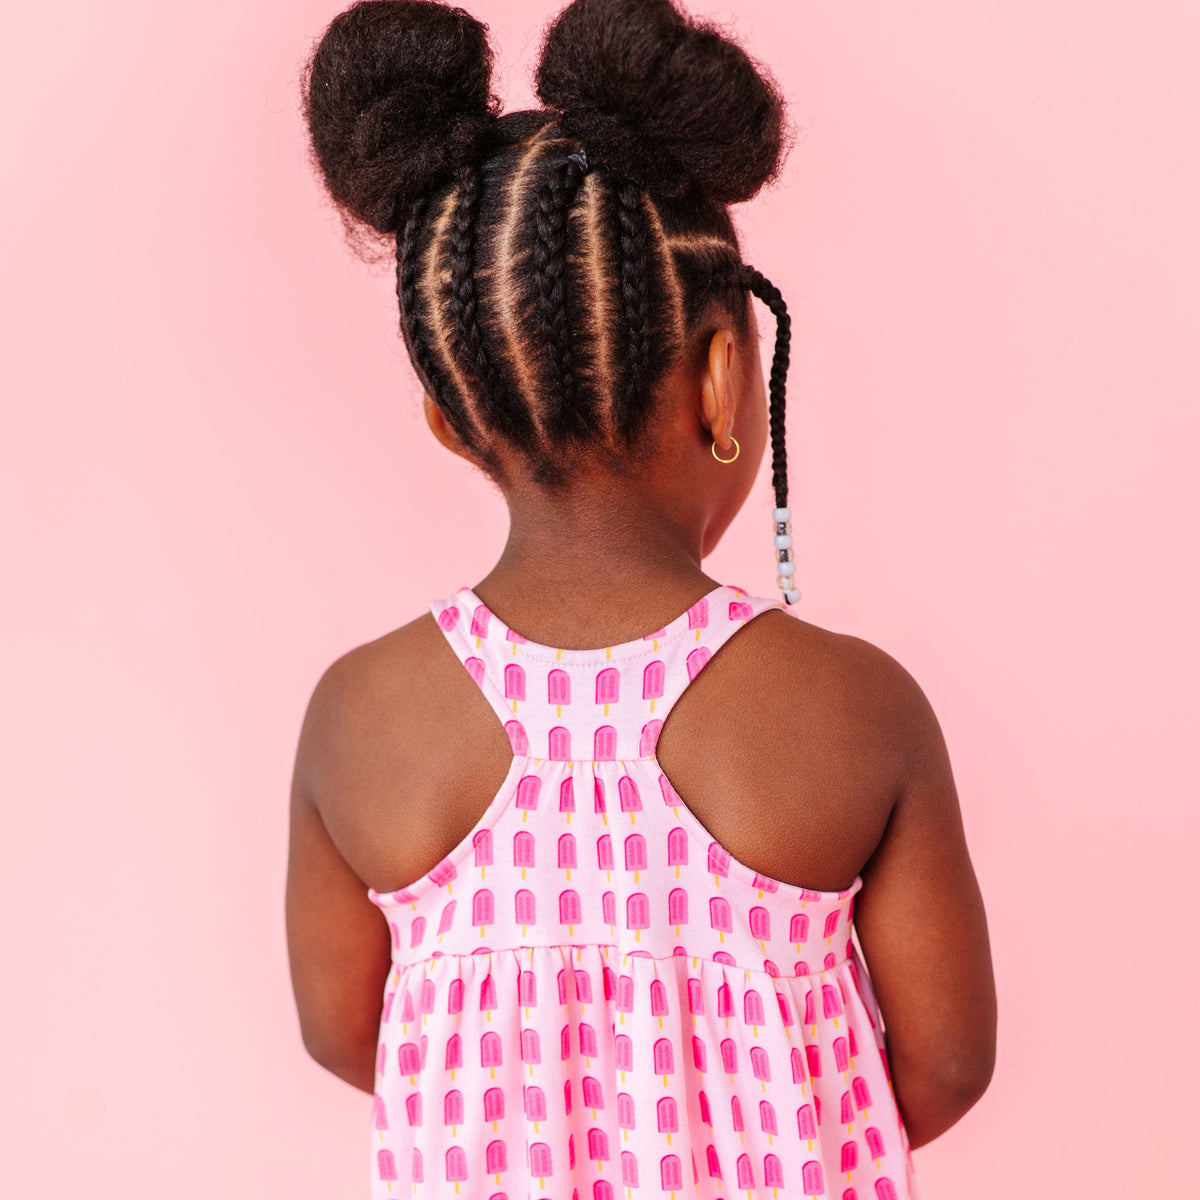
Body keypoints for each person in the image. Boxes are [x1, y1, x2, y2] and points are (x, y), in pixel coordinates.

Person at [285, 0, 997, 1196]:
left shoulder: (361, 712)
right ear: (726, 377)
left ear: (451, 420)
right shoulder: (856, 705)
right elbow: (949, 1060)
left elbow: (345, 1033)